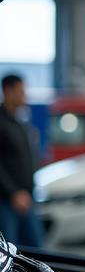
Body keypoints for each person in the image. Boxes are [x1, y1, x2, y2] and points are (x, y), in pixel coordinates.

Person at [0, 73, 45, 248]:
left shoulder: (20, 120)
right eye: (21, 91)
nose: (24, 95)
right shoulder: (2, 122)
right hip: (8, 200)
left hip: (27, 196)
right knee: (9, 251)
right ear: (8, 91)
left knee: (36, 249)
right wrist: (13, 193)